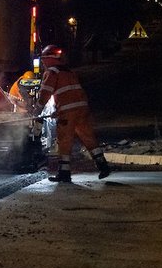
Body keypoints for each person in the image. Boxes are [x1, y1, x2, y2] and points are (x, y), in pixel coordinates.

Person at [35, 44, 111, 183]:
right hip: (82, 109)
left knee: (64, 140)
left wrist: (37, 110)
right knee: (89, 137)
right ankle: (103, 165)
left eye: (44, 59)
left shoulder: (52, 72)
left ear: (49, 59)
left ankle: (64, 173)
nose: (43, 62)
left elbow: (45, 93)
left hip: (68, 112)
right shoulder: (69, 72)